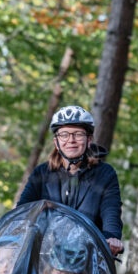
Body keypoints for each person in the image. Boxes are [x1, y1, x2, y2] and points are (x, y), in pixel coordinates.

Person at [16, 105, 124, 257]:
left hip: (88, 256)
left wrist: (111, 237)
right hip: (45, 256)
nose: (71, 140)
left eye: (78, 134)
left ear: (89, 140)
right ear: (56, 142)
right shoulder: (41, 173)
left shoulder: (105, 174)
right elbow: (23, 210)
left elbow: (111, 211)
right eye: (64, 135)